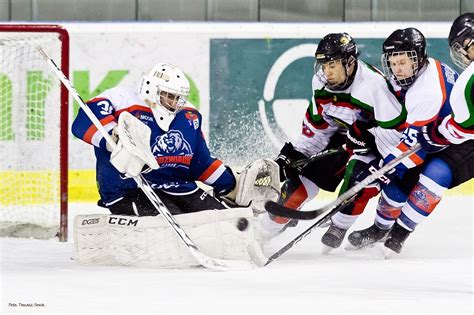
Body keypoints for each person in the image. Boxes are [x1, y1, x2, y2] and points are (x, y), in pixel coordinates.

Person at [261, 32, 406, 241]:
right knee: (297, 187)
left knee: (358, 176)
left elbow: (396, 134)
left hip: (378, 144)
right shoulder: (320, 83)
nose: (326, 72)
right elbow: (320, 127)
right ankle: (261, 234)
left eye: (332, 65)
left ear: (349, 62)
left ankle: (348, 225)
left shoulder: (374, 87)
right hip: (345, 137)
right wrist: (298, 154)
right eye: (324, 66)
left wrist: (370, 138)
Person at [347, 26, 473, 254]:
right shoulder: (423, 70)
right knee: (398, 184)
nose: (398, 70)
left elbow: (412, 149)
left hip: (464, 140)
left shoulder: (427, 92)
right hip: (439, 135)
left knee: (435, 175)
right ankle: (379, 229)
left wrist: (383, 168)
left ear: (417, 58)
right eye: (393, 64)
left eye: (403, 62)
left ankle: (399, 234)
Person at [72, 63, 237, 216]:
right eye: (170, 96)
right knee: (181, 222)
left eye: (178, 98)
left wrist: (231, 184)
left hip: (178, 188)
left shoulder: (188, 115)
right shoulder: (122, 99)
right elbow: (83, 122)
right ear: (152, 89)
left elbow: (201, 164)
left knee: (223, 220)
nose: (175, 103)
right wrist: (113, 139)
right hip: (128, 192)